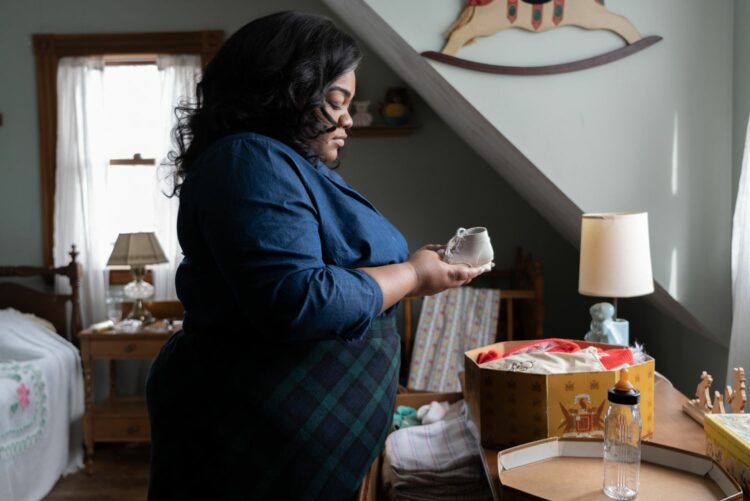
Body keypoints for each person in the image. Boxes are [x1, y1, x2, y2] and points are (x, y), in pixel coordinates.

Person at [145, 11, 483, 500]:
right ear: (285, 90)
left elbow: (328, 268)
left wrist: (418, 266)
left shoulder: (289, 165)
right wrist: (411, 273)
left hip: (289, 446)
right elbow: (299, 298)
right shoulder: (248, 160)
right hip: (249, 442)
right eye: (335, 100)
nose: (347, 117)